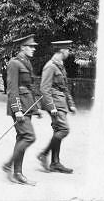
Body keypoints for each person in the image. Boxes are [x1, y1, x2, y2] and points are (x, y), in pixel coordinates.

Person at [2, 34, 42, 186]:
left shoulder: (26, 63)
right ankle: (8, 165)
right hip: (19, 106)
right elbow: (12, 88)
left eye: (34, 47)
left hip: (27, 104)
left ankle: (17, 172)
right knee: (29, 136)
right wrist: (17, 109)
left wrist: (36, 108)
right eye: (31, 47)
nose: (33, 49)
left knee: (21, 137)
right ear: (23, 47)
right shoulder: (14, 63)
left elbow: (30, 87)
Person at [37, 40, 77, 173]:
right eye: (68, 50)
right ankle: (44, 154)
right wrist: (51, 106)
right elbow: (44, 88)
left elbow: (64, 87)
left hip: (61, 103)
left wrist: (71, 104)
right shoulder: (50, 66)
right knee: (64, 130)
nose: (69, 52)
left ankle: (55, 162)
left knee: (58, 131)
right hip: (55, 103)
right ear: (62, 51)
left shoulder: (60, 66)